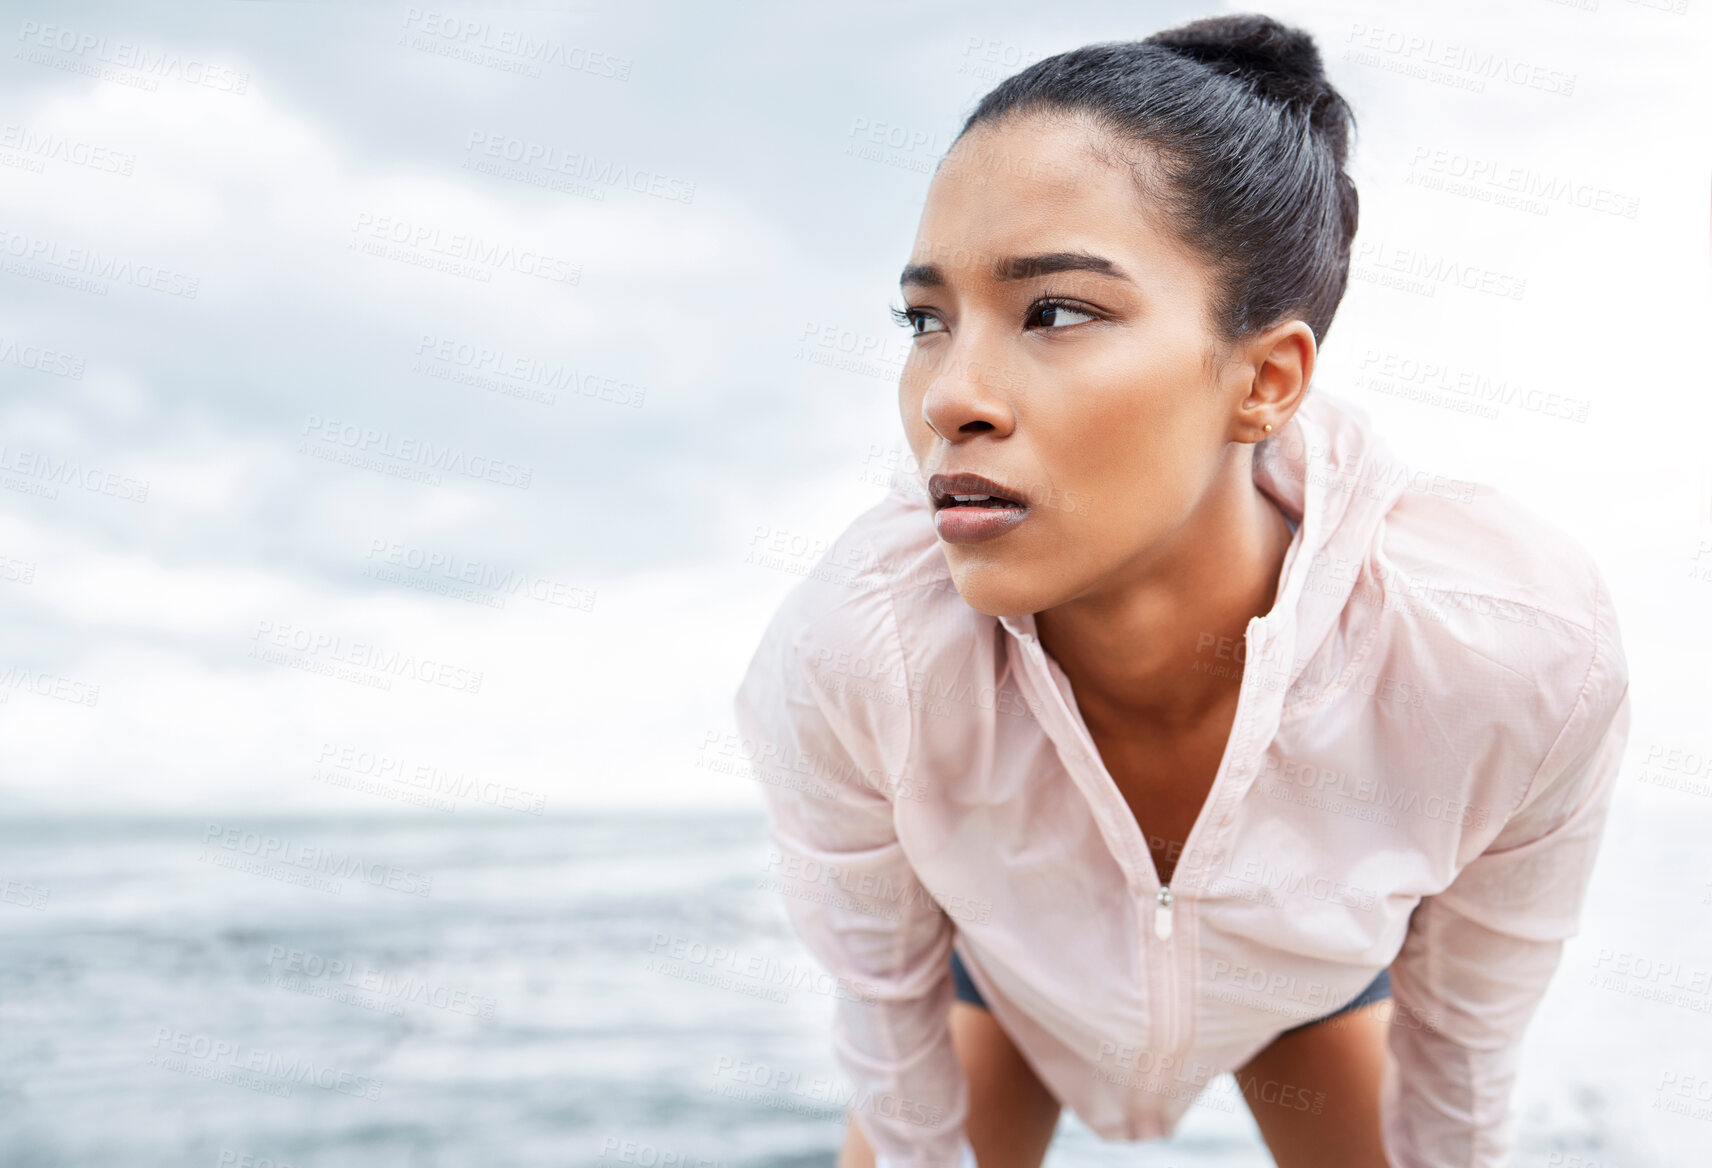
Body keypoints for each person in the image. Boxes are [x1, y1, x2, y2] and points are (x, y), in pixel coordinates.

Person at [732, 14, 1631, 1168]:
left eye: (1053, 310)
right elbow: (881, 1018)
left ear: (1262, 381)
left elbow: (1462, 1058)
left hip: (1305, 986)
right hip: (1006, 978)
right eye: (925, 319)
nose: (947, 396)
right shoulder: (856, 650)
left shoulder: (1509, 651)